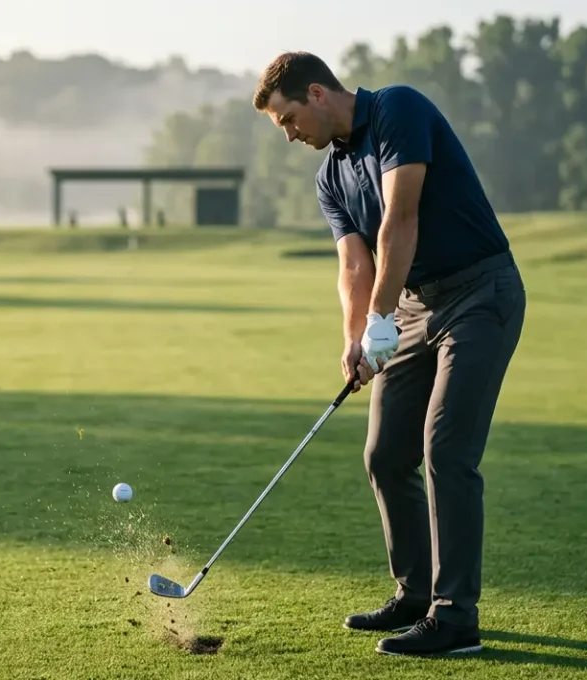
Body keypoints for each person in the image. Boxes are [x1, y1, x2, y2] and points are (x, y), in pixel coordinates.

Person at [252, 52, 526, 656]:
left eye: (289, 120)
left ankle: (455, 619)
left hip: (480, 293)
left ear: (318, 94)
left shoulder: (398, 109)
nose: (291, 135)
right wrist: (357, 337)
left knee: (446, 447)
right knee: (385, 453)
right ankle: (416, 594)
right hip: (410, 309)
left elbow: (400, 222)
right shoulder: (331, 176)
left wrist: (379, 321)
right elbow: (355, 263)